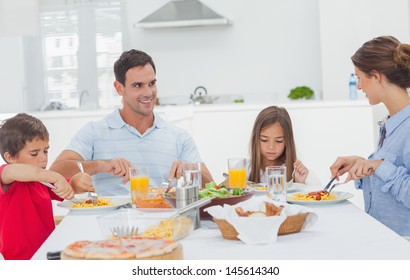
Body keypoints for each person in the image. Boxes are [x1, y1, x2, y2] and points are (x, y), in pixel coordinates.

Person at [50, 49, 213, 196]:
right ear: (119, 88)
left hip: (165, 225)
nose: (148, 92)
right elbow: (56, 171)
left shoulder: (178, 136)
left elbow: (212, 187)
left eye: (152, 83)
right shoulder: (95, 131)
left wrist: (191, 172)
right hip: (109, 226)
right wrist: (100, 165)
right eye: (138, 86)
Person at [329, 36, 410, 237]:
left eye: (359, 77)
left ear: (376, 75)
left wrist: (380, 165)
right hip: (384, 240)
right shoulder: (391, 124)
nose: (358, 86)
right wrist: (365, 163)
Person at [0, 113, 94, 260]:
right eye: (34, 153)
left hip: (47, 253)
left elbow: (67, 187)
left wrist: (75, 183)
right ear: (10, 157)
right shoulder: (7, 176)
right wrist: (56, 177)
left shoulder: (42, 181)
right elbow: (15, 170)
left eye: (45, 151)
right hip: (21, 260)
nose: (43, 158)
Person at [222, 106, 309, 186]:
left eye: (279, 141)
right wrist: (234, 182)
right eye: (264, 140)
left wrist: (300, 183)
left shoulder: (294, 171)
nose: (271, 147)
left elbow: (304, 198)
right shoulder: (245, 168)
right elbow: (220, 190)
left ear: (287, 141)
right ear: (256, 139)